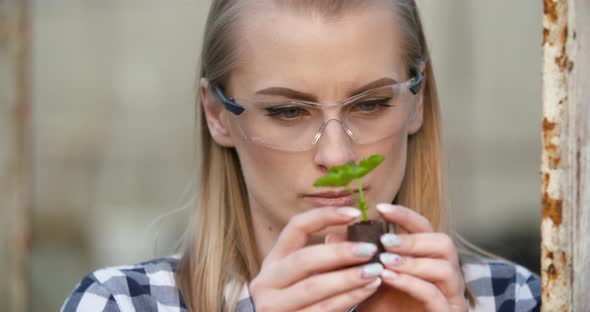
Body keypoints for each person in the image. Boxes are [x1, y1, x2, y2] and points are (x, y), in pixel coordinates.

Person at [61, 0, 541, 311]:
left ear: (418, 100)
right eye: (288, 111)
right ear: (217, 114)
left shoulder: (517, 298)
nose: (336, 154)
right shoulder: (122, 303)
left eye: (371, 104)